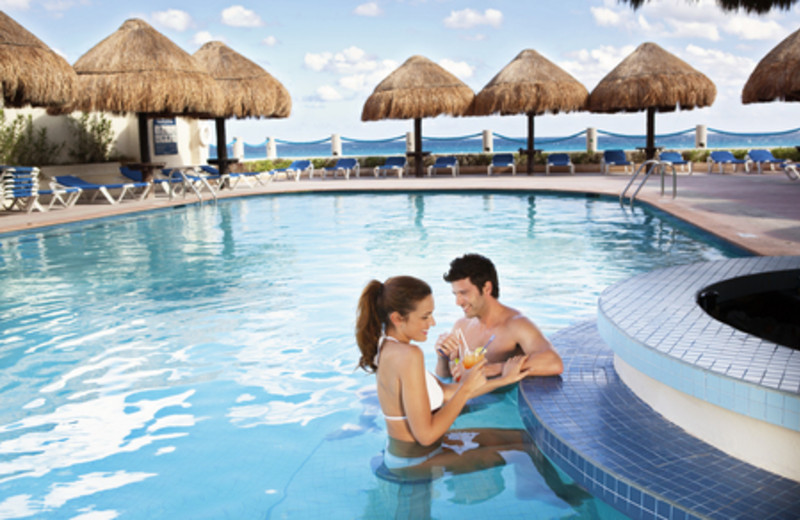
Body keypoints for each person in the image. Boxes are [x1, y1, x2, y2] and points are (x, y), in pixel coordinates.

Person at [355, 275, 533, 476]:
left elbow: (446, 392)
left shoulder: (387, 346)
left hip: (407, 453)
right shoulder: (409, 355)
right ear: (397, 318)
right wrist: (466, 389)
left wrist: (504, 380)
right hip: (415, 460)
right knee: (527, 447)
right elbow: (426, 435)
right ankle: (563, 500)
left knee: (524, 438)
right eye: (425, 316)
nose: (432, 323)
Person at [435, 254, 563, 381]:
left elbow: (554, 362)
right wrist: (442, 357)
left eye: (464, 293)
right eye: (455, 294)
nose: (458, 302)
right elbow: (445, 377)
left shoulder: (515, 325)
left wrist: (495, 368)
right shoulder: (461, 326)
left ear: (487, 288)